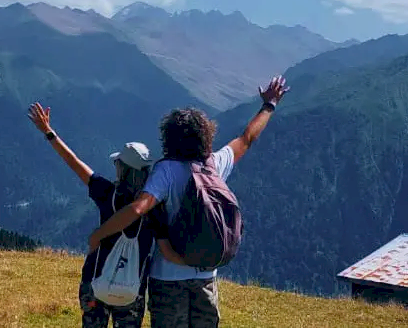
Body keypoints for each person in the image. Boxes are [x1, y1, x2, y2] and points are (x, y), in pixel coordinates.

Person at [85, 75, 290, 328]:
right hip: (205, 276)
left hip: (168, 277)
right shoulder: (214, 165)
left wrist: (99, 235)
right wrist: (269, 105)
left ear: (168, 138)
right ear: (206, 135)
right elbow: (248, 137)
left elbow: (138, 208)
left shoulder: (166, 171)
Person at [28, 102, 169, 328]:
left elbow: (74, 163)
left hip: (96, 283)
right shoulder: (155, 206)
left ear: (122, 169)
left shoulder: (106, 193)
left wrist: (49, 133)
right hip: (133, 292)